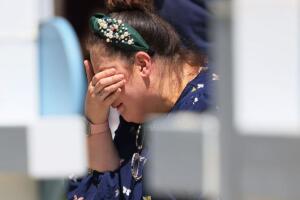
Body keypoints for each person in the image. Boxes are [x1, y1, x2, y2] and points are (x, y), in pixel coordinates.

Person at [67, 0, 217, 199]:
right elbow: (100, 191)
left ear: (143, 64)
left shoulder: (208, 109)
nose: (103, 96)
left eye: (106, 77)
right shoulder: (136, 120)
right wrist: (96, 123)